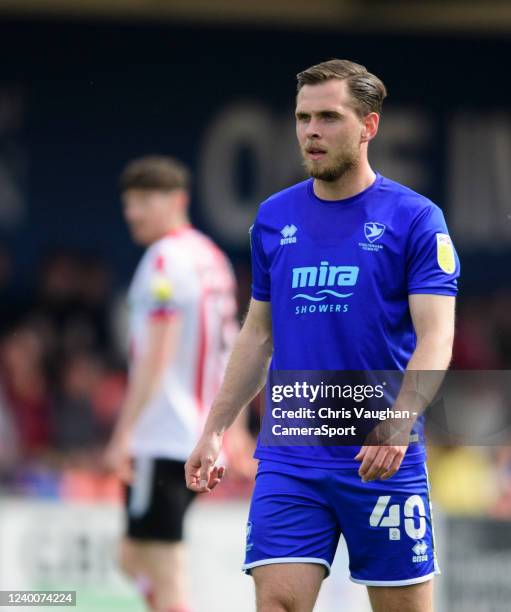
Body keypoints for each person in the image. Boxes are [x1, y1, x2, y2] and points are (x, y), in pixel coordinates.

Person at [185, 59, 459, 612]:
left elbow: (437, 337)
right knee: (279, 604)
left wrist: (399, 422)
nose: (311, 131)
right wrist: (216, 428)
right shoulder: (272, 218)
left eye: (329, 117)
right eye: (303, 118)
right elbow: (258, 333)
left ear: (369, 126)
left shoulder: (416, 219)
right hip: (293, 450)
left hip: (380, 453)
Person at [104, 156, 239, 612]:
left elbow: (154, 358)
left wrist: (122, 435)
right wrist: (231, 430)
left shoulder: (162, 261)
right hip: (199, 435)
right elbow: (229, 348)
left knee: (162, 566)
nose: (133, 213)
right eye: (128, 203)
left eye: (144, 200)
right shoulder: (211, 258)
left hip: (162, 435)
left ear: (177, 200)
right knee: (134, 557)